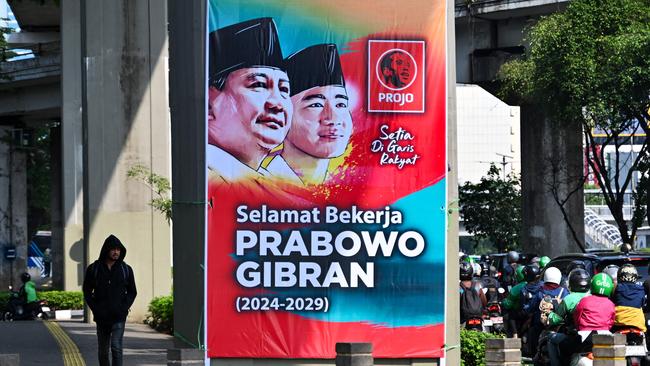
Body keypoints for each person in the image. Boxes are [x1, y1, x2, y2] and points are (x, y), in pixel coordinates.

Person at [207, 18, 293, 183]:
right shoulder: (204, 181)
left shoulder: (271, 184)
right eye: (259, 85)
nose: (277, 103)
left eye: (284, 89)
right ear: (210, 104)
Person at [266, 44, 352, 185]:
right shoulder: (257, 184)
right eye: (316, 105)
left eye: (341, 105)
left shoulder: (344, 188)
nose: (333, 119)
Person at [83, 235, 137, 366]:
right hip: (101, 318)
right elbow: (87, 291)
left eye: (118, 249)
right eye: (113, 249)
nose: (116, 252)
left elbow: (132, 291)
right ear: (106, 250)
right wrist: (96, 309)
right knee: (103, 351)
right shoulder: (94, 269)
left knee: (116, 347)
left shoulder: (126, 269)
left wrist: (123, 308)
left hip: (119, 316)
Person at [546, 268, 591, 366]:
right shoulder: (594, 297)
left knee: (550, 338)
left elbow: (555, 319)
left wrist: (549, 314)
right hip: (596, 339)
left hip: (577, 339)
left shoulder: (568, 299)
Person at [524, 267, 568, 360]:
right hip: (558, 327)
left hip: (540, 326)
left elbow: (530, 308)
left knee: (532, 334)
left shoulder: (539, 292)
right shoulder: (564, 292)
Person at [611, 264, 646, 332]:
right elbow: (642, 304)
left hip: (618, 324)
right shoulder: (641, 289)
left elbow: (612, 301)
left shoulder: (616, 288)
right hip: (638, 325)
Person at [459, 262, 487, 328]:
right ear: (471, 272)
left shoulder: (458, 287)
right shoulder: (478, 285)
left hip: (463, 318)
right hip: (478, 317)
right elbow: (484, 302)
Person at [502, 265, 526, 337]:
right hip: (532, 311)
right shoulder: (537, 285)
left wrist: (503, 302)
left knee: (510, 315)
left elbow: (508, 304)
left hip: (521, 312)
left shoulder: (516, 288)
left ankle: (514, 333)